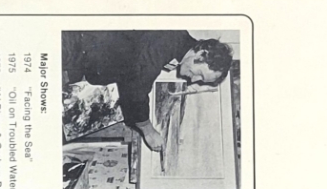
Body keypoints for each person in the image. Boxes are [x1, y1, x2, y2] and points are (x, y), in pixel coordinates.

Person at [61, 31, 233, 153]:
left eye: (200, 80)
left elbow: (131, 69)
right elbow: (136, 88)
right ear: (201, 53)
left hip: (81, 58)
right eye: (200, 74)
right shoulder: (166, 42)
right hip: (70, 46)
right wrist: (148, 131)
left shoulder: (177, 43)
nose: (194, 80)